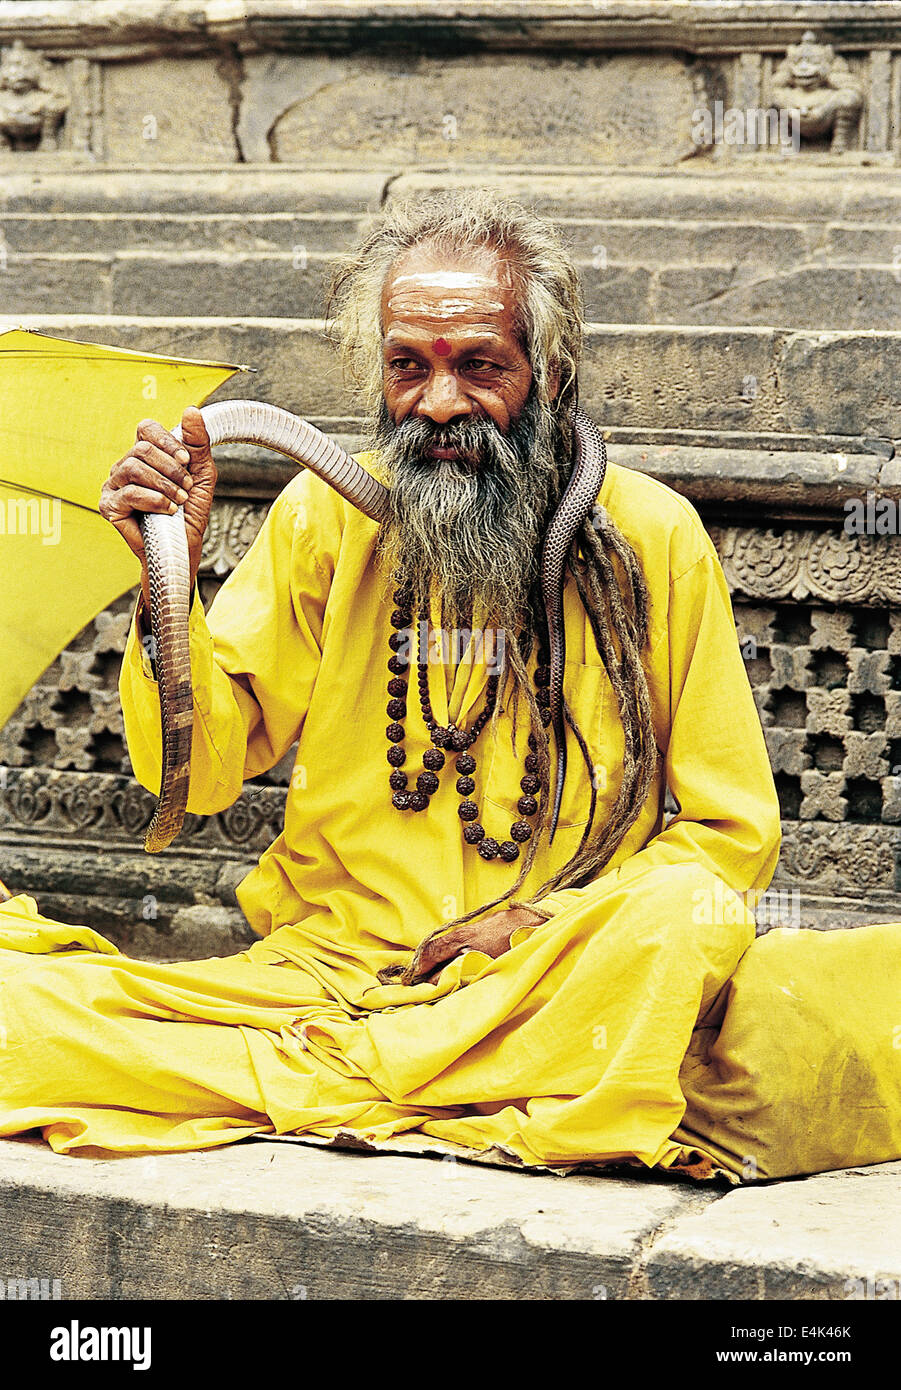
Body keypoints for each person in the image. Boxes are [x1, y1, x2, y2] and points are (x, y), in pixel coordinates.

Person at [0, 190, 784, 1171]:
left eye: (479, 366)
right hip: (324, 979)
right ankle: (440, 1084)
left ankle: (314, 1077)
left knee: (670, 929)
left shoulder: (651, 537)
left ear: (547, 373)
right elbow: (201, 775)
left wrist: (541, 921)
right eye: (410, 367)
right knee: (11, 1015)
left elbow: (727, 838)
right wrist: (170, 579)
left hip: (544, 973)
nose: (441, 404)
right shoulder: (324, 517)